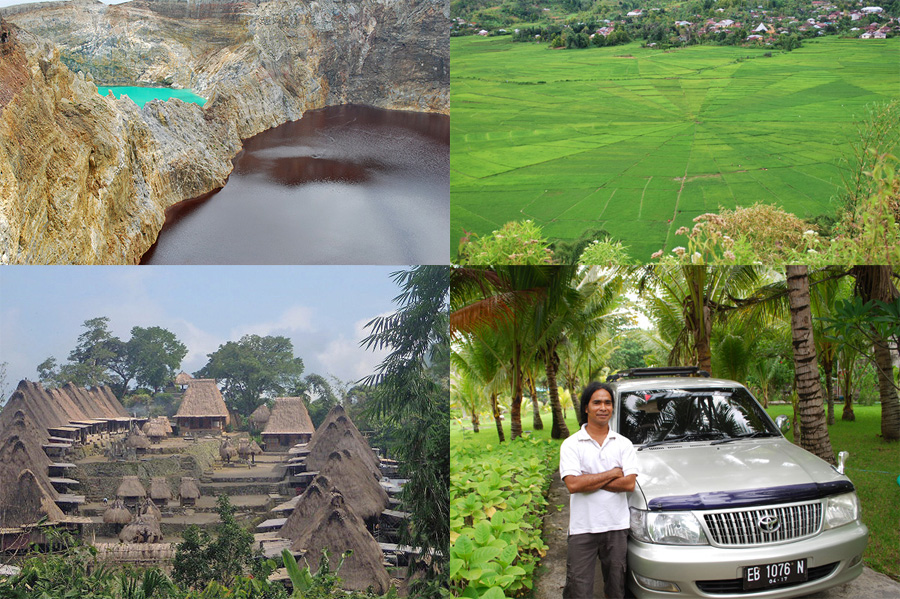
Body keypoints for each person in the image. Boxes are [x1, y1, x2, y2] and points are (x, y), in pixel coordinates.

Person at [559, 381, 638, 598]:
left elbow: (629, 484)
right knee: (579, 589)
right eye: (597, 403)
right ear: (586, 407)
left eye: (607, 403)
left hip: (616, 527)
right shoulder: (571, 444)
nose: (603, 407)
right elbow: (573, 485)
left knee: (616, 588)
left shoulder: (624, 444)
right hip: (582, 528)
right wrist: (612, 473)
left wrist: (588, 479)